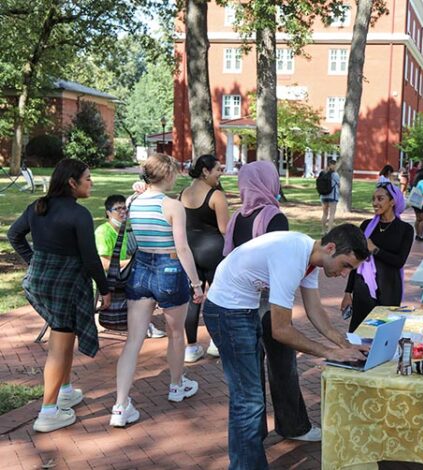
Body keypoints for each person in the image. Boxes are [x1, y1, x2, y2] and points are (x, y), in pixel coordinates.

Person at [204, 224, 370, 469]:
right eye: (346, 265)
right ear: (331, 247)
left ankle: (246, 459)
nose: (345, 274)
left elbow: (315, 311)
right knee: (248, 401)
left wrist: (345, 345)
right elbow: (280, 330)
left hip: (242, 308)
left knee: (248, 400)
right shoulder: (292, 258)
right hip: (227, 312)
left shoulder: (311, 257)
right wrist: (331, 352)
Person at [8, 159, 111, 433]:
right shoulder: (79, 215)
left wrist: (34, 261)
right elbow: (90, 259)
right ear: (72, 182)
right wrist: (105, 288)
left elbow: (14, 235)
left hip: (39, 282)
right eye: (88, 178)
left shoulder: (37, 207)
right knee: (60, 343)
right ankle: (48, 412)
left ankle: (65, 391)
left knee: (62, 334)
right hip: (65, 285)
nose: (92, 182)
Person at [222, 160, 321, 443]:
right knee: (282, 364)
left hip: (240, 298)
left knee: (252, 369)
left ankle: (255, 431)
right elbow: (280, 260)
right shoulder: (273, 216)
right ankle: (293, 426)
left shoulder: (237, 217)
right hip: (267, 298)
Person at [111, 153, 204, 427]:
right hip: (170, 267)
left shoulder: (132, 201)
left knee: (133, 341)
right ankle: (176, 385)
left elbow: (135, 196)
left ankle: (120, 405)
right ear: (168, 175)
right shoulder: (173, 206)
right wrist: (196, 284)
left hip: (140, 269)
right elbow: (183, 248)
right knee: (175, 334)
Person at [342, 182, 414, 332]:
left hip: (389, 288)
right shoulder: (366, 226)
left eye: (380, 199)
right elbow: (356, 261)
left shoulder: (405, 229)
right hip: (363, 289)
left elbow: (399, 261)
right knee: (359, 333)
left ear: (392, 201)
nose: (375, 203)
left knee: (384, 334)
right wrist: (348, 293)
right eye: (373, 199)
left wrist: (375, 250)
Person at [179, 155, 229, 362]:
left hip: (190, 252)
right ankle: (216, 343)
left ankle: (190, 347)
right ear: (206, 171)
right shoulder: (216, 195)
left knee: (192, 300)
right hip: (213, 251)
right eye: (218, 169)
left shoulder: (183, 194)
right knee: (217, 298)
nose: (220, 173)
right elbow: (225, 228)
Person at [94, 195, 166, 339]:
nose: (122, 212)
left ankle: (142, 321)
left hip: (120, 275)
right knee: (146, 284)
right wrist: (131, 262)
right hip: (107, 279)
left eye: (124, 208)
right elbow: (105, 265)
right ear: (108, 212)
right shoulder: (103, 232)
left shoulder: (122, 230)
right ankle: (143, 325)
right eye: (117, 209)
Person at [320, 159, 340, 234]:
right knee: (332, 214)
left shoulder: (322, 173)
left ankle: (323, 230)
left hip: (323, 196)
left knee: (324, 213)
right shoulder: (335, 174)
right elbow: (339, 185)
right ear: (334, 165)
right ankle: (329, 231)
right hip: (332, 196)